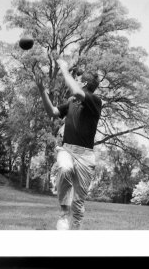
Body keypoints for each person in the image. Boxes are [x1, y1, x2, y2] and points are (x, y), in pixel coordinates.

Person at [34, 58, 102, 230]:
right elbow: (53, 112)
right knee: (64, 168)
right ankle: (64, 213)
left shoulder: (95, 101)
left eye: (77, 79)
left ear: (83, 82)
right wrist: (42, 91)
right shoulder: (71, 102)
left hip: (86, 156)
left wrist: (64, 69)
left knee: (78, 206)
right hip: (67, 149)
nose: (75, 81)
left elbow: (78, 92)